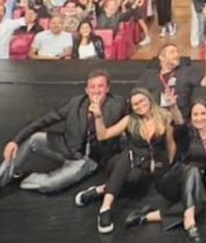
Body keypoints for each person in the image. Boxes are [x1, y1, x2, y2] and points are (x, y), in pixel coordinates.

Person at [0, 69, 126, 211]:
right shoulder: (76, 103)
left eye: (100, 86)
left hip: (86, 161)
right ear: (86, 90)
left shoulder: (118, 104)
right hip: (66, 147)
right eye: (92, 87)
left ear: (108, 88)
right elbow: (43, 120)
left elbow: (130, 124)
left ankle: (25, 178)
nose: (96, 91)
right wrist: (15, 140)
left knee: (49, 185)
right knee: (35, 138)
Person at [123, 99, 206, 243]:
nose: (199, 118)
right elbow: (179, 123)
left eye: (203, 113)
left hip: (197, 183)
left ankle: (145, 216)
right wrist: (173, 106)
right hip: (173, 181)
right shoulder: (186, 134)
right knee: (192, 170)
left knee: (199, 204)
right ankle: (190, 224)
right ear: (190, 117)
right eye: (195, 114)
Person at [74, 87, 181, 234]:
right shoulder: (129, 120)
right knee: (127, 155)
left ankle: (100, 190)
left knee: (133, 178)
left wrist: (169, 164)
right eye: (135, 104)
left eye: (142, 101)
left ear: (149, 99)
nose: (139, 105)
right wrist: (98, 117)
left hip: (146, 167)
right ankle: (105, 209)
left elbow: (170, 143)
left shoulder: (164, 116)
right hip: (123, 162)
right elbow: (103, 135)